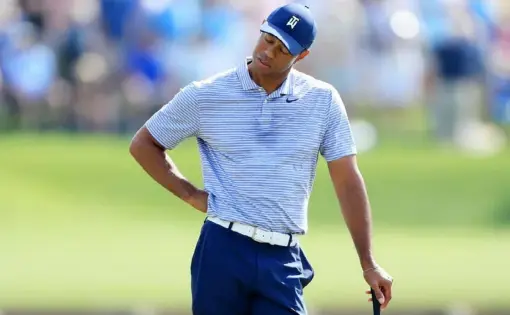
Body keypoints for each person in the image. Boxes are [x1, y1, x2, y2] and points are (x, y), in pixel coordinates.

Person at [129, 3, 393, 314]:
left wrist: (368, 263)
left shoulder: (322, 101)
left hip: (282, 257)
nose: (268, 52)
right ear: (262, 27)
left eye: (282, 49)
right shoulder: (207, 94)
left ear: (302, 55)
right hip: (222, 249)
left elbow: (347, 180)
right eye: (267, 40)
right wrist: (188, 193)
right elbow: (144, 144)